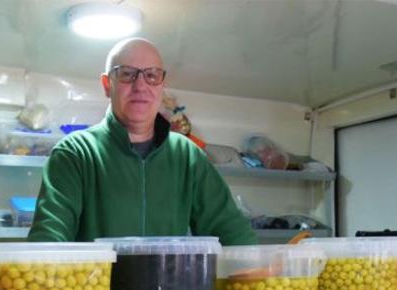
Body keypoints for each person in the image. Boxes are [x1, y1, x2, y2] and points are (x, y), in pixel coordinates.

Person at [28, 37, 257, 245]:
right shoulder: (75, 153)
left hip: (168, 281)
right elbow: (47, 243)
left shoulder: (187, 155)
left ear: (162, 85)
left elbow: (235, 235)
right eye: (127, 74)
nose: (141, 86)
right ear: (107, 85)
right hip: (96, 281)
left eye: (152, 75)